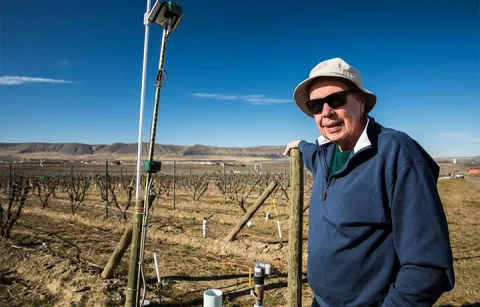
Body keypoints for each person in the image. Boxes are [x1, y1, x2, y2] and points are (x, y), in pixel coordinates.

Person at [284, 58, 454, 307]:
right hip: (320, 301)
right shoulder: (326, 153)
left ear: (361, 101)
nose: (326, 112)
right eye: (316, 105)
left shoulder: (396, 153)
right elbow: (312, 155)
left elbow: (428, 266)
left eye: (337, 100)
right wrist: (300, 144)